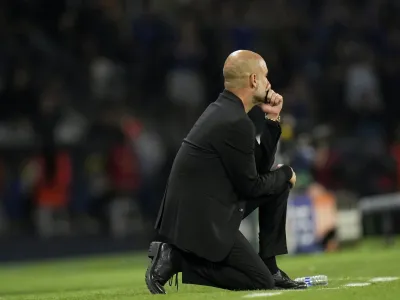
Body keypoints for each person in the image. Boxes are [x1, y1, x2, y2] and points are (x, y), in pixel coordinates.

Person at [145, 50, 307, 294]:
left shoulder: (228, 112)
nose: (269, 83)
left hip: (206, 206)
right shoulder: (234, 121)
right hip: (200, 217)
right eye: (265, 77)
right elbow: (251, 186)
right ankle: (176, 259)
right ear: (253, 80)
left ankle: (271, 267)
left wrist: (272, 121)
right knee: (259, 282)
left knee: (278, 183)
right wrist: (285, 173)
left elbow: (259, 171)